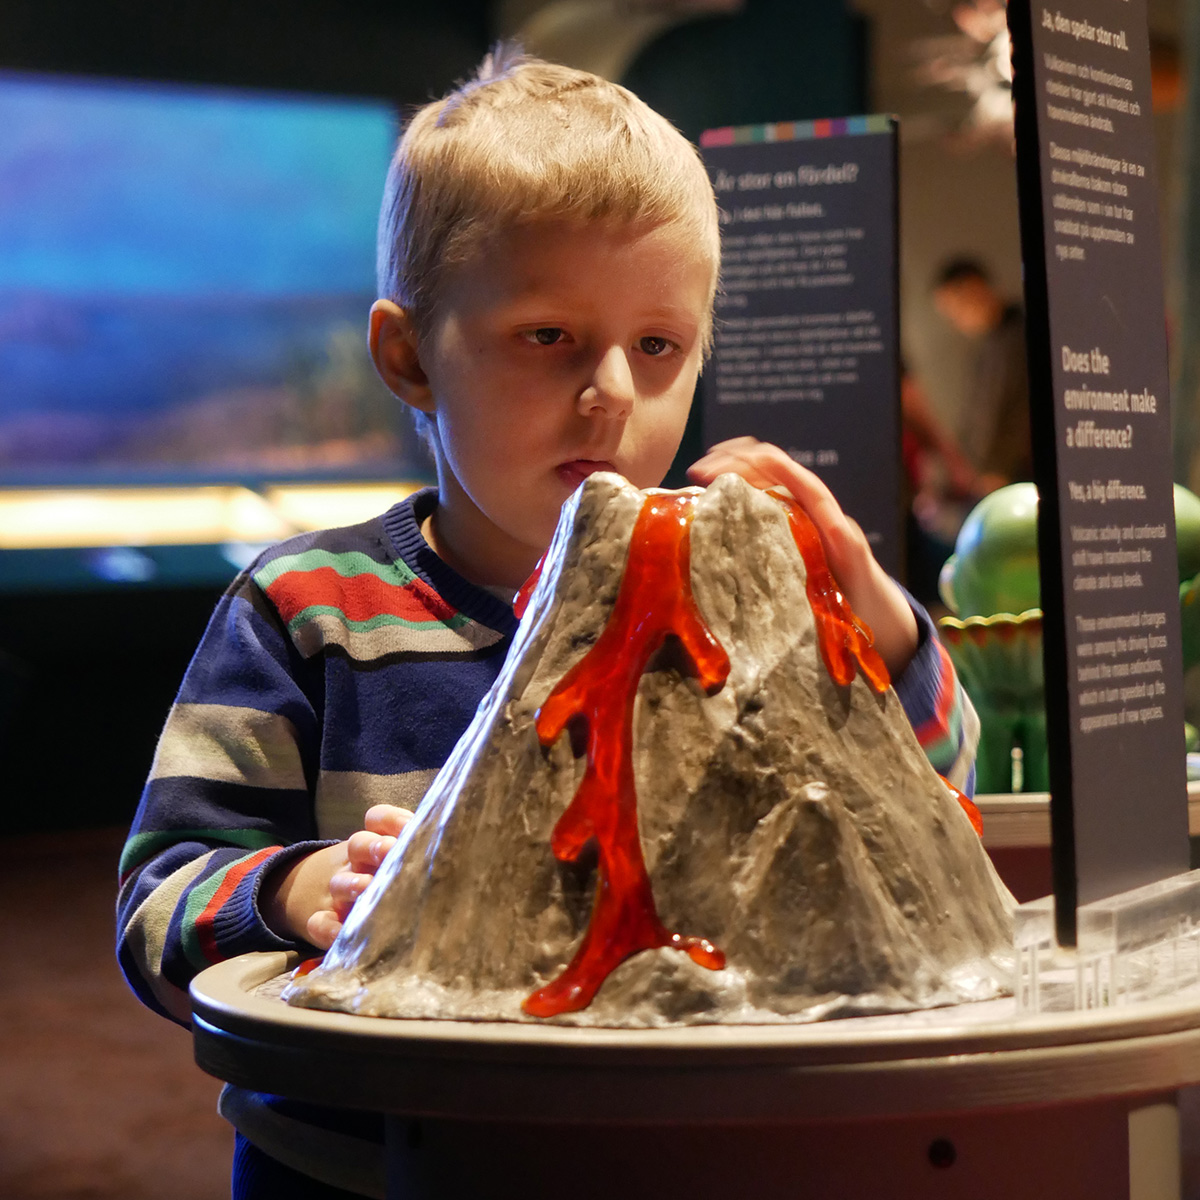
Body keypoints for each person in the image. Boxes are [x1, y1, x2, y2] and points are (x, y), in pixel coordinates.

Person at [117, 49, 980, 1200]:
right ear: (408, 356)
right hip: (365, 1172)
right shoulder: (305, 609)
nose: (613, 391)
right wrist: (297, 891)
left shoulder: (723, 607)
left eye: (657, 346)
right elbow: (156, 907)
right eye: (547, 336)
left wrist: (869, 608)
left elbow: (938, 808)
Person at [931, 256, 1033, 491]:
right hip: (996, 474)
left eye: (955, 310)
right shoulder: (992, 343)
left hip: (1011, 476)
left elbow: (1004, 413)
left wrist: (993, 470)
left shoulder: (1015, 338)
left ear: (975, 288)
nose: (955, 322)